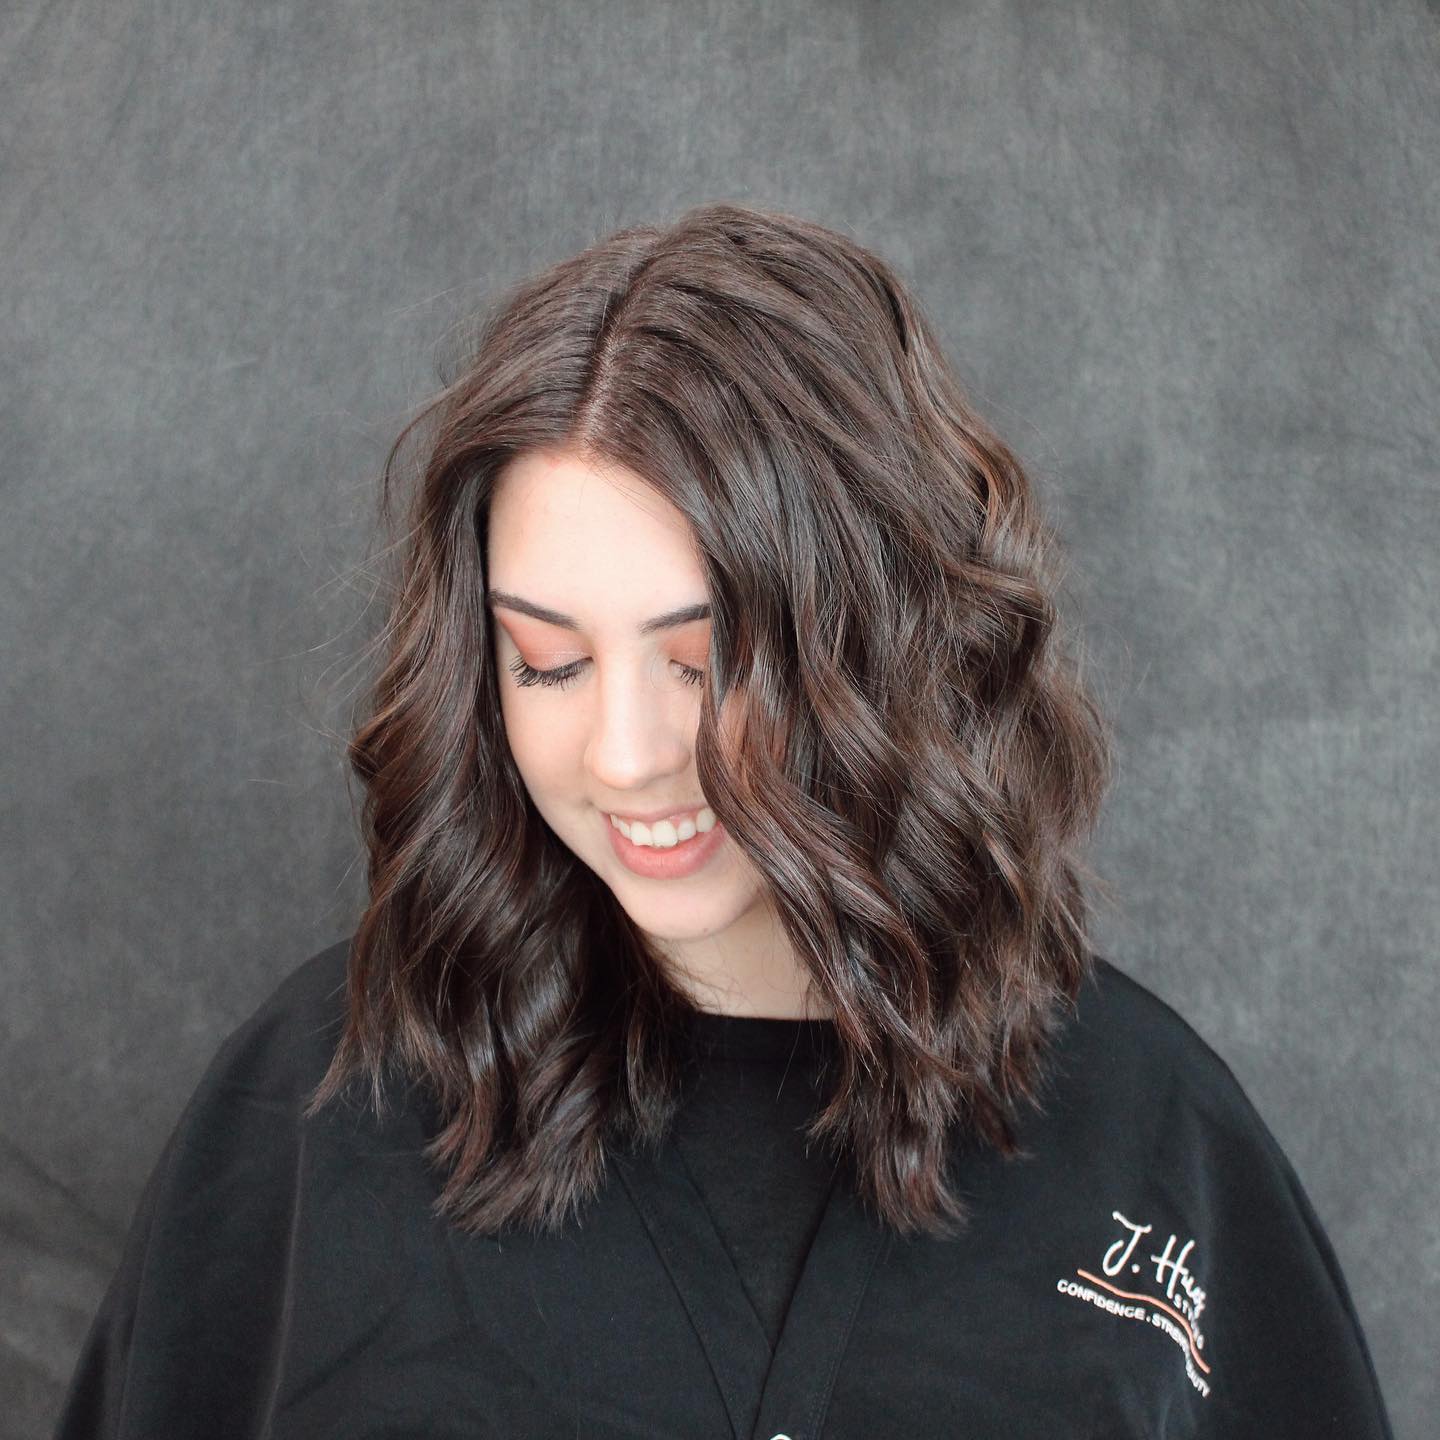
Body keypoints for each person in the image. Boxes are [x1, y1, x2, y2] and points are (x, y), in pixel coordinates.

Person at [53, 202, 1394, 1439]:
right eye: (549, 664)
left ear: (878, 642)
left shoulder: (1150, 1137)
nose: (628, 756)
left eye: (706, 663)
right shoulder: (313, 1112)